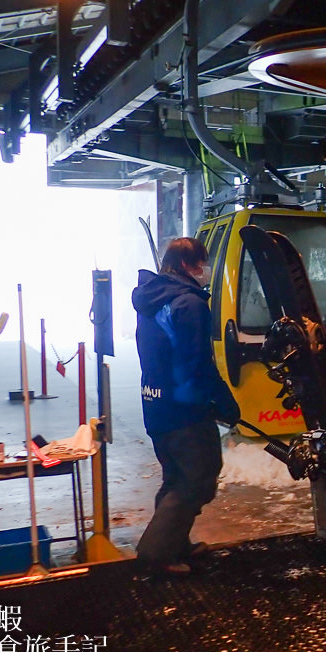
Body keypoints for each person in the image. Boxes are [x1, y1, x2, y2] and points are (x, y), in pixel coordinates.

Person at [132, 237, 240, 575]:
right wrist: (223, 402)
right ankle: (156, 554)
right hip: (185, 408)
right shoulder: (189, 303)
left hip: (156, 402)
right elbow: (197, 362)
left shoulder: (152, 299)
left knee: (176, 477)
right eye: (200, 263)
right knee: (199, 479)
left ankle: (175, 545)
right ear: (184, 265)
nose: (204, 270)